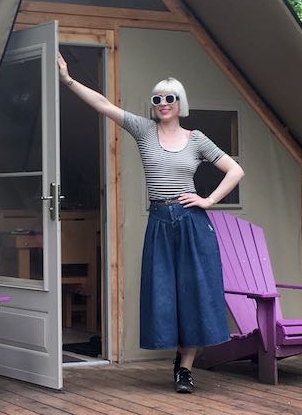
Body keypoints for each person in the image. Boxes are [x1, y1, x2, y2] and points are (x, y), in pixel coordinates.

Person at [57, 53, 243, 393]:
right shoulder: (143, 129)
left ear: (180, 102)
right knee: (163, 293)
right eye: (157, 98)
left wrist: (209, 200)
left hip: (191, 222)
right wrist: (68, 80)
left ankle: (185, 369)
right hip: (159, 221)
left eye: (169, 98)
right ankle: (177, 356)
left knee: (194, 293)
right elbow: (102, 104)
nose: (162, 103)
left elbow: (235, 170)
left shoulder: (197, 139)